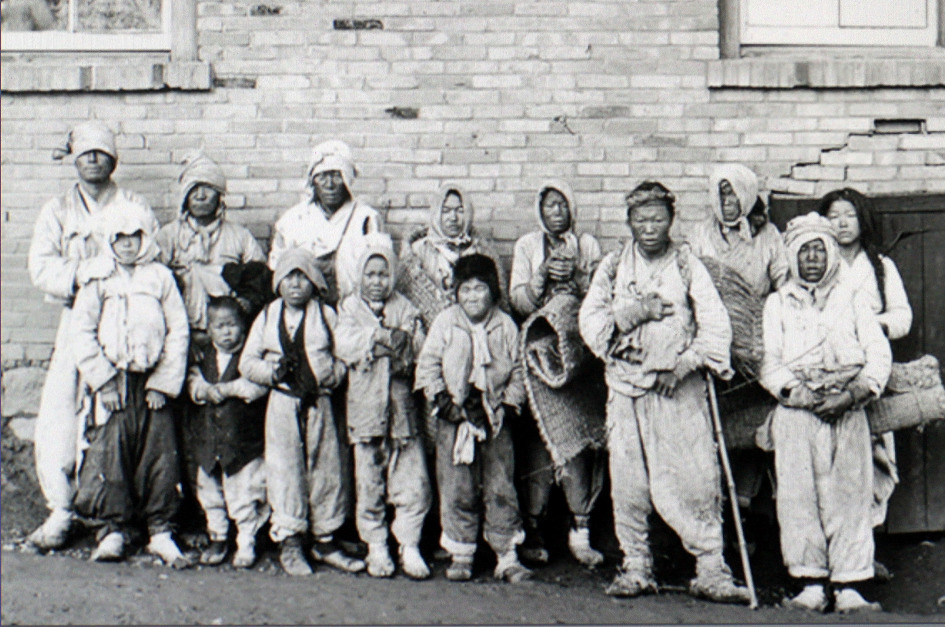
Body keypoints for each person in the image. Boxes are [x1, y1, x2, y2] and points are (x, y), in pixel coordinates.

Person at [578, 182, 749, 603]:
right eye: (641, 219)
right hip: (625, 390)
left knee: (693, 478)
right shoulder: (614, 265)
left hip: (677, 392)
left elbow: (715, 327)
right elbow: (591, 321)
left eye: (657, 218)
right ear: (629, 223)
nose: (649, 227)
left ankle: (711, 569)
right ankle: (636, 566)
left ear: (671, 220)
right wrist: (632, 316)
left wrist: (683, 365)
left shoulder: (688, 265)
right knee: (629, 483)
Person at [27, 121, 159, 550]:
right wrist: (84, 272)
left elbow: (151, 255)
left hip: (125, 319)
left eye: (102, 153)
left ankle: (112, 518)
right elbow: (41, 266)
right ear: (75, 160)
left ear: (113, 159)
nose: (94, 160)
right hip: (76, 319)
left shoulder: (133, 203)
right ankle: (62, 508)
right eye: (86, 154)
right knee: (62, 411)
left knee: (113, 414)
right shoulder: (58, 210)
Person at [759, 212, 891, 613]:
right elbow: (769, 363)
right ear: (793, 257)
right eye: (805, 251)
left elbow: (878, 354)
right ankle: (811, 584)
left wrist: (852, 394)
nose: (812, 259)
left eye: (819, 250)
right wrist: (798, 393)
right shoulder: (778, 303)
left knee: (849, 494)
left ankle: (849, 586)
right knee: (798, 495)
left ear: (832, 253)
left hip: (847, 408)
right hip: (797, 412)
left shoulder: (852, 297)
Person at [70, 201, 191, 567]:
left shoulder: (159, 277)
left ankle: (161, 530)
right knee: (112, 453)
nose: (127, 244)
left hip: (152, 382)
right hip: (115, 381)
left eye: (134, 236)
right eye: (119, 238)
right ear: (109, 241)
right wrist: (104, 381)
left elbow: (178, 330)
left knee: (160, 454)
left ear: (145, 238)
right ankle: (113, 530)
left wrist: (162, 383)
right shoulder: (98, 279)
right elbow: (82, 332)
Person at [240, 248, 365, 576]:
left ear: (314, 282)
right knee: (285, 469)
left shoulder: (326, 315)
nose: (295, 284)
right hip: (282, 403)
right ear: (278, 283)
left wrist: (330, 376)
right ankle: (291, 539)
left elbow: (345, 354)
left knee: (325, 468)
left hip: (319, 403)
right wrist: (272, 372)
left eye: (303, 277)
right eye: (288, 277)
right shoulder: (268, 315)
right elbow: (247, 363)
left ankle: (325, 539)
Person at [415, 254, 531, 583]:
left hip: (494, 418)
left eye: (479, 288)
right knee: (457, 486)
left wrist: (508, 405)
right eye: (465, 289)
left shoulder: (504, 325)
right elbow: (428, 364)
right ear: (456, 292)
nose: (472, 297)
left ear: (492, 290)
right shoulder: (446, 322)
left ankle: (506, 554)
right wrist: (443, 401)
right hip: (455, 419)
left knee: (500, 485)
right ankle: (462, 552)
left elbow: (519, 370)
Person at [508, 180, 604, 567]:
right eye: (549, 205)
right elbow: (518, 302)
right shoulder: (527, 246)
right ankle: (534, 526)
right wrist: (542, 275)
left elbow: (600, 297)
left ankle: (581, 528)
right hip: (539, 354)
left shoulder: (588, 245)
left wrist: (578, 275)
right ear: (540, 210)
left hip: (576, 354)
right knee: (538, 439)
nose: (556, 212)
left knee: (577, 436)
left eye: (562, 204)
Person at [817, 187, 912, 577]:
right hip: (826, 371)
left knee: (872, 460)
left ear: (863, 220)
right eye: (833, 216)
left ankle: (864, 551)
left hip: (869, 368)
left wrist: (870, 326)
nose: (841, 223)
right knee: (827, 460)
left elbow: (903, 317)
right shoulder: (815, 259)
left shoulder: (880, 266)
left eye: (849, 215)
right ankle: (826, 554)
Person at [335, 233, 432, 579]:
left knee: (411, 476)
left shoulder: (404, 307)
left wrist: (395, 345)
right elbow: (344, 345)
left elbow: (415, 347)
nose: (376, 282)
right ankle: (376, 544)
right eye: (370, 274)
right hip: (365, 406)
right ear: (359, 275)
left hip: (401, 407)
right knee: (368, 478)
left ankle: (409, 543)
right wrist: (379, 337)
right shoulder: (349, 308)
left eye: (383, 274)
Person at [187, 297, 270, 569]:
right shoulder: (204, 357)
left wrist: (228, 389)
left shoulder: (249, 355)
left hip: (241, 443)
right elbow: (192, 382)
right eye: (219, 326)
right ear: (209, 330)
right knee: (209, 491)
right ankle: (218, 536)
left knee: (243, 493)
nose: (226, 332)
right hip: (210, 441)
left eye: (232, 325)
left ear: (243, 327)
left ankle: (246, 541)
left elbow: (257, 386)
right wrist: (203, 390)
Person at [157, 152, 265, 337]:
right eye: (194, 188)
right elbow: (153, 280)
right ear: (185, 195)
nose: (200, 196)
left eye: (208, 188)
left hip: (227, 335)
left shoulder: (240, 236)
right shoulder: (168, 235)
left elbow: (260, 278)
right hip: (179, 331)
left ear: (220, 195)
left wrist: (246, 301)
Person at [268, 140, 383, 305]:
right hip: (307, 308)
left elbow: (381, 269)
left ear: (348, 180)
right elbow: (277, 269)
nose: (329, 185)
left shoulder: (366, 218)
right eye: (322, 176)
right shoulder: (292, 220)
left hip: (355, 307)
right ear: (313, 181)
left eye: (337, 176)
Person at [398, 183, 508, 328]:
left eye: (460, 211)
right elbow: (408, 297)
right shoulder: (418, 250)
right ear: (436, 213)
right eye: (446, 211)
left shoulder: (481, 251)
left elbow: (497, 299)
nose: (453, 217)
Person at [688, 164, 789, 299]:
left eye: (732, 194)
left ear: (746, 195)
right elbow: (688, 279)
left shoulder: (768, 235)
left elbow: (783, 281)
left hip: (755, 309)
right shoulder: (701, 233)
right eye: (721, 194)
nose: (726, 202)